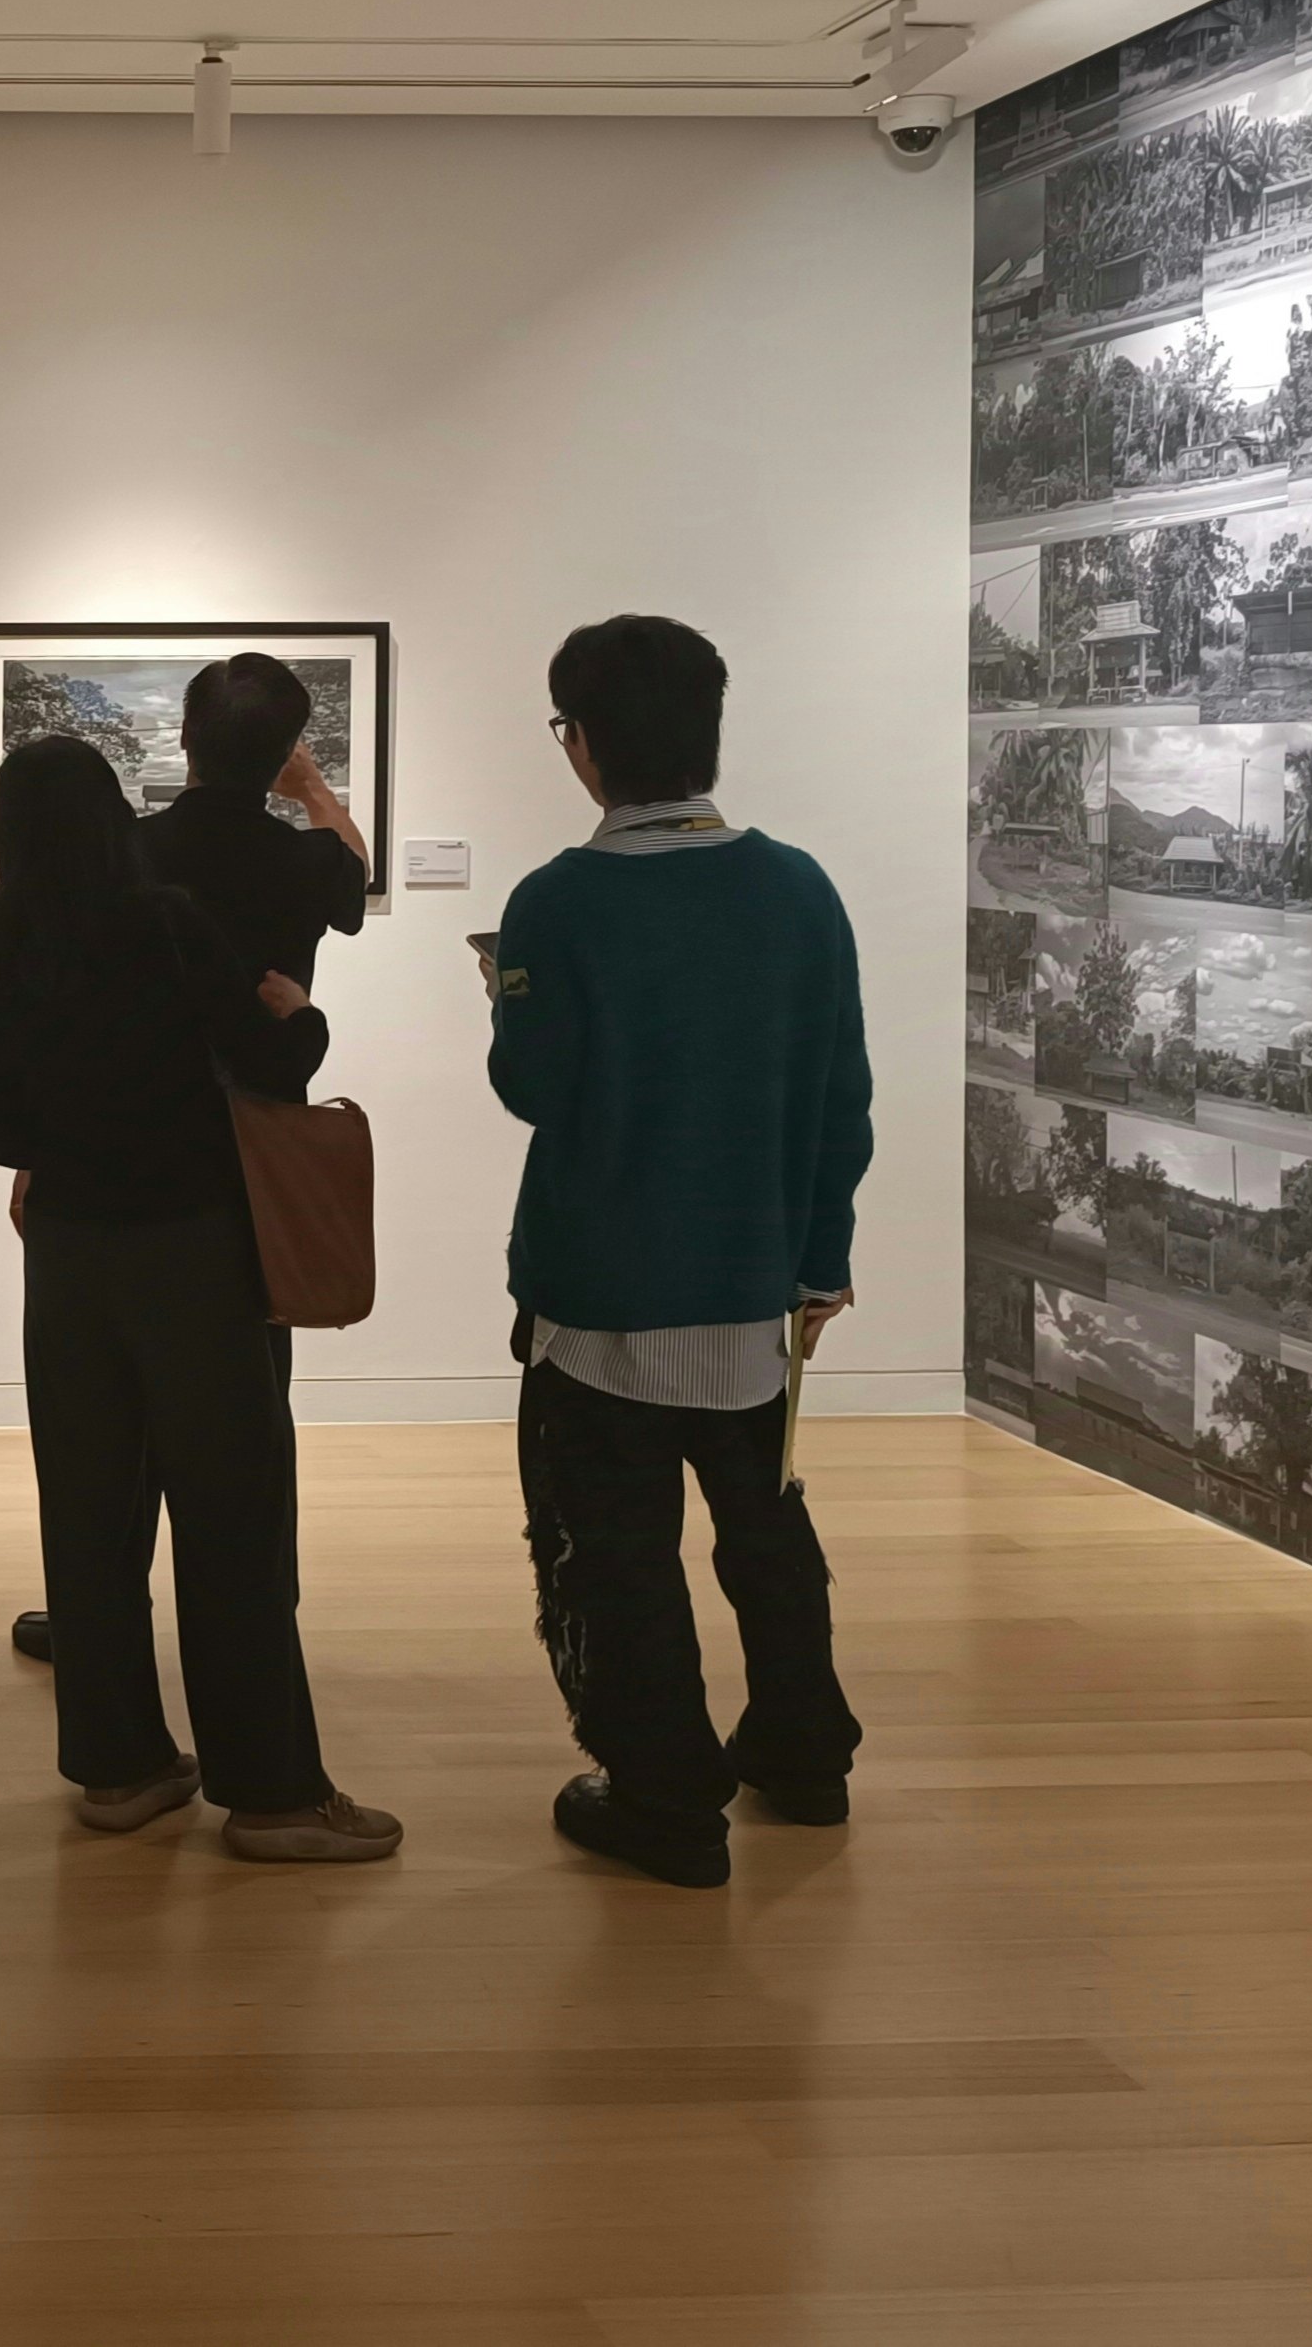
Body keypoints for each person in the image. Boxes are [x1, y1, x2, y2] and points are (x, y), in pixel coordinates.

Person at [0, 734, 401, 1861]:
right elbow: (272, 1065)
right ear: (114, 818)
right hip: (195, 1251)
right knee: (231, 1515)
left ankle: (118, 1769)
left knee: (90, 1509)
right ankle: (271, 1794)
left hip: (66, 1256)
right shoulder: (168, 927)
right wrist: (300, 1010)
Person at [484, 615, 871, 1890]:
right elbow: (838, 1096)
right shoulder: (799, 887)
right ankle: (803, 1755)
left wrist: (507, 995)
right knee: (764, 1528)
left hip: (601, 1293)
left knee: (615, 1549)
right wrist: (820, 1261)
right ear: (708, 733)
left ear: (582, 745)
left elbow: (531, 1089)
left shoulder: (555, 900)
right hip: (755, 1286)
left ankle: (663, 1795)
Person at [12, 652, 370, 1665]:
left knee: (108, 1413)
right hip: (253, 1150)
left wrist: (39, 1153)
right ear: (280, 750)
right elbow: (352, 866)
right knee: (250, 1400)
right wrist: (305, 787)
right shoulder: (303, 862)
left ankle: (98, 1608)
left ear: (184, 737)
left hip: (122, 1141)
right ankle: (259, 1605)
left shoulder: (127, 849)